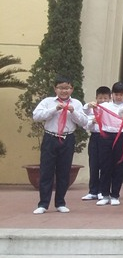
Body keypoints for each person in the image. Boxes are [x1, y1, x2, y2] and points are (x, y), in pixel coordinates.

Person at [32, 75, 89, 214]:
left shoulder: (76, 103)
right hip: (50, 138)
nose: (64, 91)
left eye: (67, 88)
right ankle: (43, 204)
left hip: (67, 139)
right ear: (55, 89)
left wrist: (73, 111)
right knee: (46, 171)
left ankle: (60, 203)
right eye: (61, 88)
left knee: (64, 172)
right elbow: (36, 116)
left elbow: (84, 122)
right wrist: (54, 109)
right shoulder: (47, 102)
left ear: (72, 89)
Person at [91, 81, 123, 206]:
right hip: (106, 135)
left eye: (121, 94)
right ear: (112, 94)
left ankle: (115, 195)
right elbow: (87, 112)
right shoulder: (105, 106)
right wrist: (89, 105)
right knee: (105, 165)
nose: (118, 97)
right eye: (116, 94)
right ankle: (105, 195)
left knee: (119, 165)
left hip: (122, 136)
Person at [82, 85, 111, 201]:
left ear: (110, 99)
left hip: (107, 137)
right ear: (96, 98)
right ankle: (93, 191)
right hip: (95, 137)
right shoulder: (91, 110)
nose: (102, 100)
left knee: (105, 165)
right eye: (100, 98)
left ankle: (102, 191)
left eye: (105, 98)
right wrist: (92, 122)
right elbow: (85, 124)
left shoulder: (111, 110)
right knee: (93, 164)